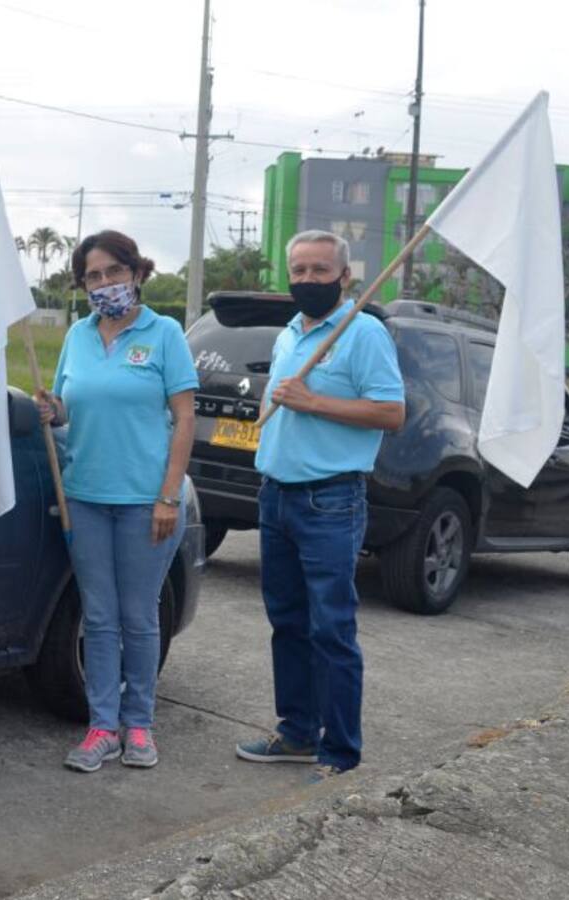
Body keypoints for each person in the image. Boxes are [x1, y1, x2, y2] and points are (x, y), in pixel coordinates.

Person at [235, 229, 404, 782]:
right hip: (276, 495)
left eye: (320, 270)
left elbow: (390, 413)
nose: (308, 280)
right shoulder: (290, 332)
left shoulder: (364, 333)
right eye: (299, 270)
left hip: (329, 499)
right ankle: (298, 733)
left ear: (344, 276)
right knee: (287, 622)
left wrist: (315, 401)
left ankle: (340, 754)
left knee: (332, 628)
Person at [35, 230, 198, 773]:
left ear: (136, 273)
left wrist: (169, 496)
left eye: (114, 273)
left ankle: (140, 725)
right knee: (99, 618)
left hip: (146, 502)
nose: (105, 284)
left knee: (140, 618)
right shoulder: (78, 336)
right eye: (93, 276)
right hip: (84, 497)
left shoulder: (165, 333)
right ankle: (102, 727)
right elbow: (67, 410)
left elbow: (185, 419)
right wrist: (50, 410)